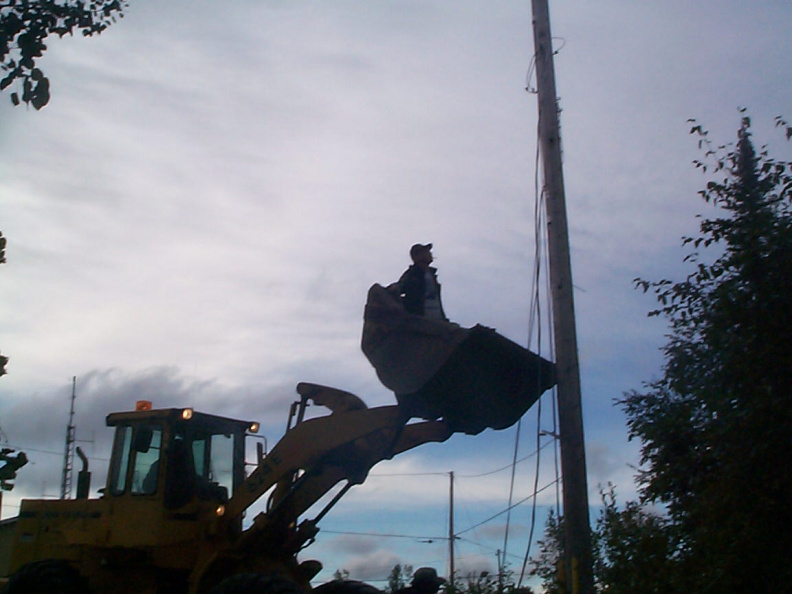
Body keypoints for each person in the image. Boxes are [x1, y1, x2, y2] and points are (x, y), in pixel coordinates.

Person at [395, 243, 448, 321]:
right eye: (425, 251)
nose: (430, 253)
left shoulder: (432, 275)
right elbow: (398, 288)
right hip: (420, 318)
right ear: (417, 256)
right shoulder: (412, 274)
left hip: (437, 318)